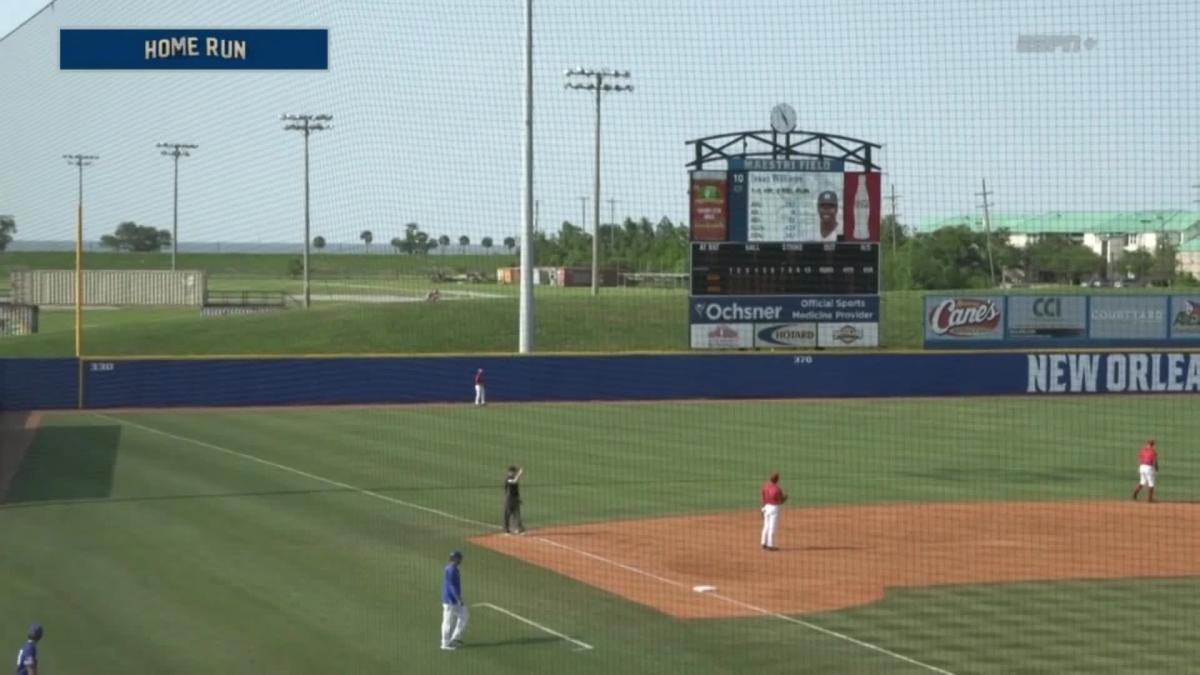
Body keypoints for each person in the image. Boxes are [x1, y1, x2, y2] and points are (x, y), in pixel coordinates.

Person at [440, 550, 468, 650]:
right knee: (447, 622)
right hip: (450, 601)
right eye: (459, 558)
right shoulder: (451, 570)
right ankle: (445, 644)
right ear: (455, 559)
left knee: (464, 614)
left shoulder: (452, 568)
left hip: (453, 600)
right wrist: (458, 599)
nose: (461, 559)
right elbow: (452, 587)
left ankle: (455, 637)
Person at [760, 472, 787, 551]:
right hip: (774, 509)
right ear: (777, 480)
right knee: (772, 527)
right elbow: (781, 501)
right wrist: (786, 497)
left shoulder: (765, 487)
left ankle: (763, 543)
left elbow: (763, 499)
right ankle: (771, 545)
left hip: (766, 507)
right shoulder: (777, 489)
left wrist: (762, 509)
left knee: (766, 526)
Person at [504, 465, 526, 534]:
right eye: (514, 472)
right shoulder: (508, 479)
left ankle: (519, 529)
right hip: (509, 499)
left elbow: (516, 490)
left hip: (515, 498)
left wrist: (519, 499)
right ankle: (506, 530)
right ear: (510, 472)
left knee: (517, 514)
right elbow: (514, 481)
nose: (515, 473)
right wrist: (519, 473)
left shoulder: (512, 478)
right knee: (508, 514)